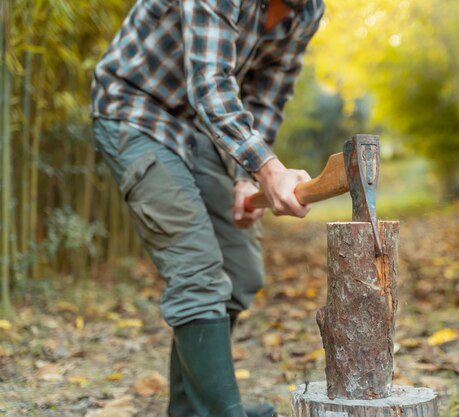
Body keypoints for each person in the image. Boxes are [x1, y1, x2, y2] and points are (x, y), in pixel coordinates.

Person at [90, 0, 324, 415]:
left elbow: (266, 98)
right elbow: (211, 84)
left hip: (201, 129)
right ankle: (220, 411)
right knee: (196, 268)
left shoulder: (307, 12)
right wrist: (268, 170)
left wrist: (245, 177)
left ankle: (195, 409)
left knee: (241, 271)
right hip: (136, 110)